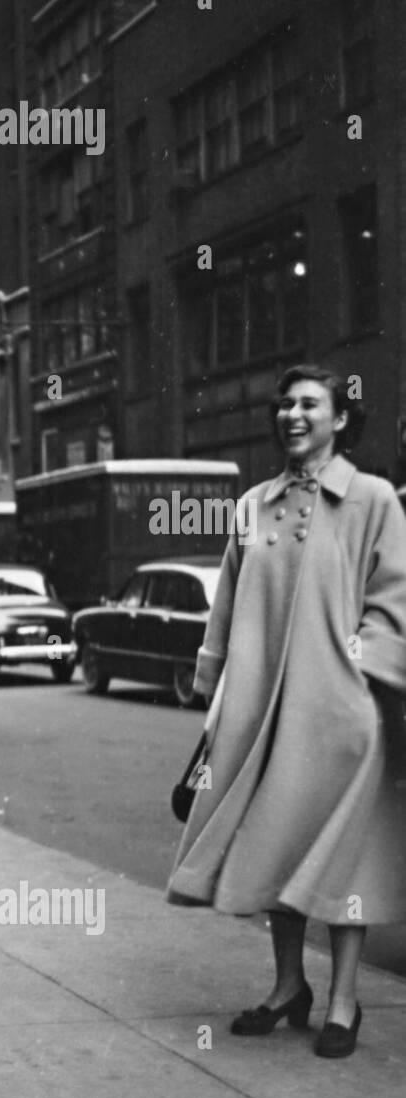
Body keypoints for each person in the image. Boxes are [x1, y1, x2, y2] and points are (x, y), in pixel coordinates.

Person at [169, 364, 406, 1058]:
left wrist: (361, 678)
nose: (293, 414)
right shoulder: (252, 506)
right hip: (261, 709)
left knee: (345, 860)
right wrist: (214, 690)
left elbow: (394, 603)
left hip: (342, 715)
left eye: (310, 404)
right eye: (285, 404)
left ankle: (343, 1000)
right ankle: (287, 987)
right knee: (273, 840)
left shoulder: (373, 501)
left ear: (340, 419)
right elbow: (226, 606)